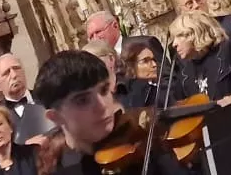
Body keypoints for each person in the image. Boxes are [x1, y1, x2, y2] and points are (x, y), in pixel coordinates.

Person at [31, 49, 190, 175]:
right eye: (82, 100)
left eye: (104, 90)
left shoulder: (143, 145)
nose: (102, 105)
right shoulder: (58, 168)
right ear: (56, 117)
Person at [168, 10, 231, 102]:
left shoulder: (226, 50)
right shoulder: (185, 69)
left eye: (179, 36)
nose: (174, 44)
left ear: (195, 33)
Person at [115, 37, 197, 110]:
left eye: (153, 59)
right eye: (145, 61)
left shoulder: (165, 89)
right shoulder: (124, 95)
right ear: (131, 66)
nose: (154, 65)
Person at [0, 54, 55, 145]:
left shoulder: (47, 97)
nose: (14, 75)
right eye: (6, 73)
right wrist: (25, 146)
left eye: (17, 68)